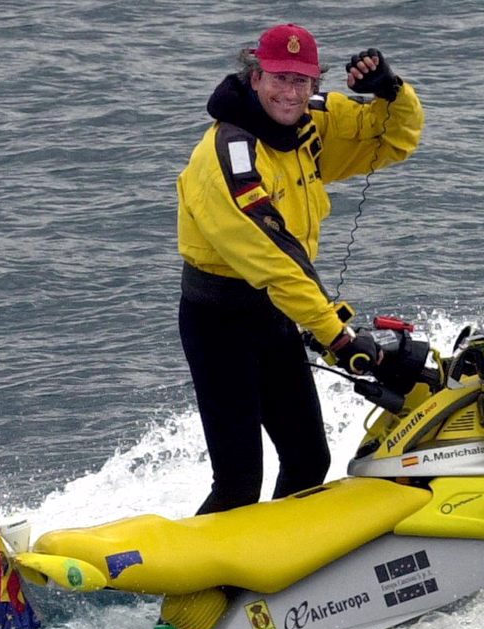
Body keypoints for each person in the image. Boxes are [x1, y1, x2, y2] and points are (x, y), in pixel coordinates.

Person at [176, 23, 424, 514]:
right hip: (220, 322)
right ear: (255, 77)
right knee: (239, 483)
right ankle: (207, 585)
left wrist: (391, 90)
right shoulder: (230, 156)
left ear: (314, 84)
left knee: (310, 459)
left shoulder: (308, 124)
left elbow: (393, 140)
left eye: (301, 81)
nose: (290, 93)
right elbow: (277, 264)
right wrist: (338, 337)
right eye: (279, 78)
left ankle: (278, 570)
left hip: (275, 314)